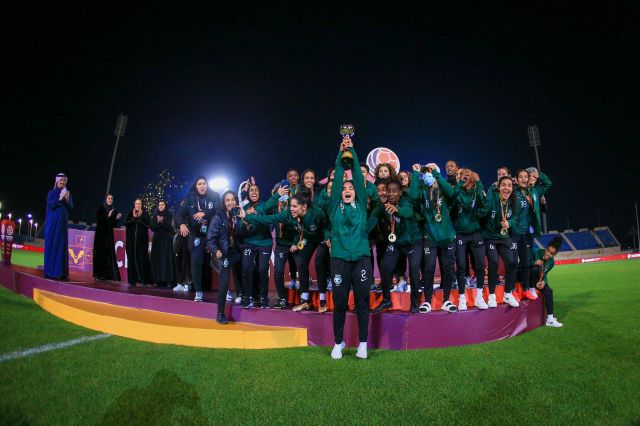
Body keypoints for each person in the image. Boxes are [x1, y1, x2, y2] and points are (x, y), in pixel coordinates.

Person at [242, 192, 329, 312]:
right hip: (307, 239)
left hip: (321, 239)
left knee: (318, 263)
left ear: (304, 206)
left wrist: (328, 237)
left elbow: (326, 226)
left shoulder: (317, 212)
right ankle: (305, 301)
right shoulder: (288, 213)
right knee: (302, 264)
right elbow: (269, 219)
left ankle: (323, 301)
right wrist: (248, 216)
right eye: (291, 205)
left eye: (294, 206)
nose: (291, 209)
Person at [327, 137, 372, 359]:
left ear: (356, 192)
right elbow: (337, 179)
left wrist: (352, 151)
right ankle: (338, 343)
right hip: (339, 260)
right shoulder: (334, 206)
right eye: (344, 188)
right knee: (340, 303)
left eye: (350, 188)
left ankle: (363, 343)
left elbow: (357, 176)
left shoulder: (361, 205)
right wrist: (340, 154)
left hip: (361, 259)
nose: (347, 189)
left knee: (362, 302)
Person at [408, 163, 458, 314]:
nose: (428, 174)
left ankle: (446, 300)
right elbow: (412, 196)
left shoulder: (443, 187)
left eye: (431, 171)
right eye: (426, 172)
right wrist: (416, 174)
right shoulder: (422, 189)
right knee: (429, 269)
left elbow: (452, 193)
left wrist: (436, 173)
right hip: (430, 236)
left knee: (448, 269)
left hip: (447, 236)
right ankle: (428, 301)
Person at [370, 177, 422, 312]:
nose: (391, 194)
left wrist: (397, 210)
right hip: (398, 242)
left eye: (394, 191)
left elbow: (407, 212)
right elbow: (371, 222)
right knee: (385, 266)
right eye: (389, 191)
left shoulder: (406, 201)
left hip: (413, 242)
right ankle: (387, 300)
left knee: (414, 271)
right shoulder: (383, 205)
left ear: (400, 192)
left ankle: (414, 302)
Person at [176, 177, 221, 302]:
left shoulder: (214, 196)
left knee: (220, 262)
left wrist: (205, 213)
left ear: (207, 185)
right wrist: (181, 224)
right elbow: (179, 214)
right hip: (197, 235)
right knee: (196, 262)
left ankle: (226, 290)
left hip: (213, 234)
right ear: (196, 186)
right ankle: (198, 291)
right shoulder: (190, 198)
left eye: (204, 184)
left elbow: (219, 210)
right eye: (199, 184)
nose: (202, 186)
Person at [479, 176, 520, 308]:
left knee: (512, 262)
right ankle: (491, 295)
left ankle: (508, 294)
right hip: (490, 236)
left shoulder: (514, 203)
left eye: (509, 185)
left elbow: (515, 218)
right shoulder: (493, 199)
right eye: (503, 185)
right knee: (494, 262)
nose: (506, 188)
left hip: (503, 237)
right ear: (498, 187)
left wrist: (510, 223)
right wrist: (492, 188)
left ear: (512, 189)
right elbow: (485, 208)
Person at [513, 168, 552, 300]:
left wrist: (539, 174)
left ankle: (527, 288)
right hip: (514, 231)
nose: (526, 179)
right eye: (522, 177)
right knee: (512, 262)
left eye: (527, 176)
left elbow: (548, 183)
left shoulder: (535, 190)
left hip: (528, 232)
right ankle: (511, 291)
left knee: (527, 262)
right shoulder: (515, 191)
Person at [207, 190, 244, 324]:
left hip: (236, 251)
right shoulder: (218, 217)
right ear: (224, 202)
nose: (230, 202)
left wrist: (244, 218)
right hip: (223, 252)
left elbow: (246, 232)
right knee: (224, 281)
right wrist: (215, 250)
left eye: (232, 199)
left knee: (247, 268)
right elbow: (210, 238)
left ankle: (245, 297)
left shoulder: (238, 215)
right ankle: (220, 313)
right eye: (227, 200)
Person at [452, 169, 488, 310]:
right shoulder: (457, 192)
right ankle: (461, 298)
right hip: (460, 234)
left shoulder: (476, 192)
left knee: (480, 264)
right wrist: (461, 182)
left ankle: (479, 297)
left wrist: (478, 182)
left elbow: (484, 205)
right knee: (461, 266)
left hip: (475, 233)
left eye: (469, 175)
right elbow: (451, 198)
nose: (467, 177)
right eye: (464, 176)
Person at [237, 182, 273, 309]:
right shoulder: (244, 206)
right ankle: (247, 297)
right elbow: (240, 228)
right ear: (248, 193)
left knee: (262, 270)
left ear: (259, 192)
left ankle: (264, 298)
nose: (254, 192)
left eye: (256, 190)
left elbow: (269, 224)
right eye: (251, 190)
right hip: (249, 242)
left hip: (265, 242)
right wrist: (245, 224)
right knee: (246, 269)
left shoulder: (265, 205)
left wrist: (254, 215)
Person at [530, 236, 564, 327]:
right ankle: (531, 289)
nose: (548, 254)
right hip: (526, 277)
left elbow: (544, 274)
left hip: (536, 279)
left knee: (549, 292)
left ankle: (550, 320)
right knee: (535, 268)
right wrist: (533, 262)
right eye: (548, 250)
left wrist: (543, 282)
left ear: (554, 255)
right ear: (546, 248)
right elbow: (523, 264)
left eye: (552, 253)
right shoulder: (535, 251)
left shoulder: (551, 262)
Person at [44, 173, 73, 280]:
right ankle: (49, 272)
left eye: (64, 181)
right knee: (52, 246)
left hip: (62, 226)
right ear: (56, 181)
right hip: (52, 225)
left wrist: (67, 200)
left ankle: (61, 273)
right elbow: (51, 204)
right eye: (60, 180)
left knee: (61, 247)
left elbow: (71, 206)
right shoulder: (51, 193)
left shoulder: (67, 193)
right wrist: (60, 199)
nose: (62, 182)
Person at [93, 194, 121, 282]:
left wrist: (117, 219)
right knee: (100, 255)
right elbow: (99, 220)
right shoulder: (101, 208)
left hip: (109, 236)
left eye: (111, 199)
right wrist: (107, 216)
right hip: (101, 236)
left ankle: (106, 276)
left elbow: (114, 225)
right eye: (109, 198)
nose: (110, 200)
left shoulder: (113, 210)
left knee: (108, 256)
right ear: (106, 199)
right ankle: (98, 275)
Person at [125, 198, 152, 287]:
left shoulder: (145, 214)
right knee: (131, 260)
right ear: (134, 204)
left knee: (142, 260)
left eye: (139, 204)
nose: (138, 205)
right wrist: (134, 218)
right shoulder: (130, 213)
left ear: (141, 205)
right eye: (136, 204)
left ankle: (144, 280)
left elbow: (149, 225)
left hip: (142, 242)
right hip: (131, 242)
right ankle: (132, 281)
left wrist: (140, 217)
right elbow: (126, 223)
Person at [150, 200, 177, 288]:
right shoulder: (155, 215)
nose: (161, 206)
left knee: (166, 259)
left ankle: (168, 281)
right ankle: (158, 280)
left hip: (166, 240)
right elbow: (152, 227)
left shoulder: (169, 215)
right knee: (157, 260)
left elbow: (170, 227)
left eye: (163, 205)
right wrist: (159, 223)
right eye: (160, 205)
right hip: (157, 240)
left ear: (165, 206)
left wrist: (162, 221)